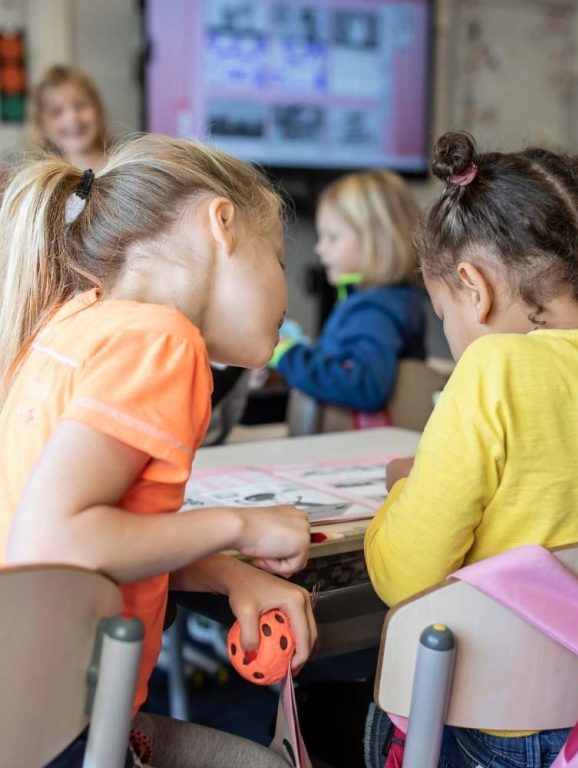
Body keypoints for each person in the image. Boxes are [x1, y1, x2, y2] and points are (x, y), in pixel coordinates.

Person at [363, 131, 578, 768]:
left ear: (474, 288)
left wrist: (407, 488)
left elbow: (402, 580)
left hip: (487, 733)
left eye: (444, 313)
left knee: (347, 703)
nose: (450, 333)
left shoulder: (492, 369)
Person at [0, 135, 317, 768]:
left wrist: (227, 571)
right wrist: (242, 525)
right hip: (65, 731)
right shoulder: (162, 339)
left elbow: (94, 545)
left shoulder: (74, 321)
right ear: (222, 223)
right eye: (279, 258)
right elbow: (55, 540)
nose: (285, 290)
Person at [272, 170, 426, 414]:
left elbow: (365, 385)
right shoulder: (384, 301)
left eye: (332, 238)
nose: (320, 248)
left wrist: (286, 354)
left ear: (376, 241)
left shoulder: (373, 310)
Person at [32, 64, 111, 171]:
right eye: (57, 112)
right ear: (42, 124)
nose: (72, 118)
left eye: (80, 105)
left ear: (98, 109)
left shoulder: (123, 167)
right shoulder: (41, 176)